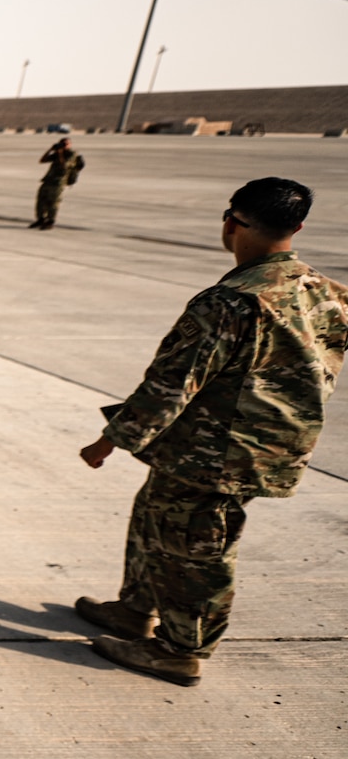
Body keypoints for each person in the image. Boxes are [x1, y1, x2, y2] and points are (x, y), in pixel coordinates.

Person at [75, 177, 346, 686]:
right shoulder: (328, 292)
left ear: (231, 223)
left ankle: (180, 649)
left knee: (197, 547)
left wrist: (110, 440)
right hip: (261, 444)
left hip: (217, 450)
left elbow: (172, 385)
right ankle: (135, 609)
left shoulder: (231, 301)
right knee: (155, 517)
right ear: (298, 227)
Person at [30, 138, 83, 229]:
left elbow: (64, 166)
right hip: (48, 180)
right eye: (62, 143)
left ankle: (51, 221)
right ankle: (40, 219)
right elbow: (42, 160)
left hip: (59, 182)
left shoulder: (72, 154)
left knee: (53, 202)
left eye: (66, 144)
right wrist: (50, 150)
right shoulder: (57, 153)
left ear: (70, 145)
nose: (64, 145)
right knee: (41, 200)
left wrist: (60, 153)